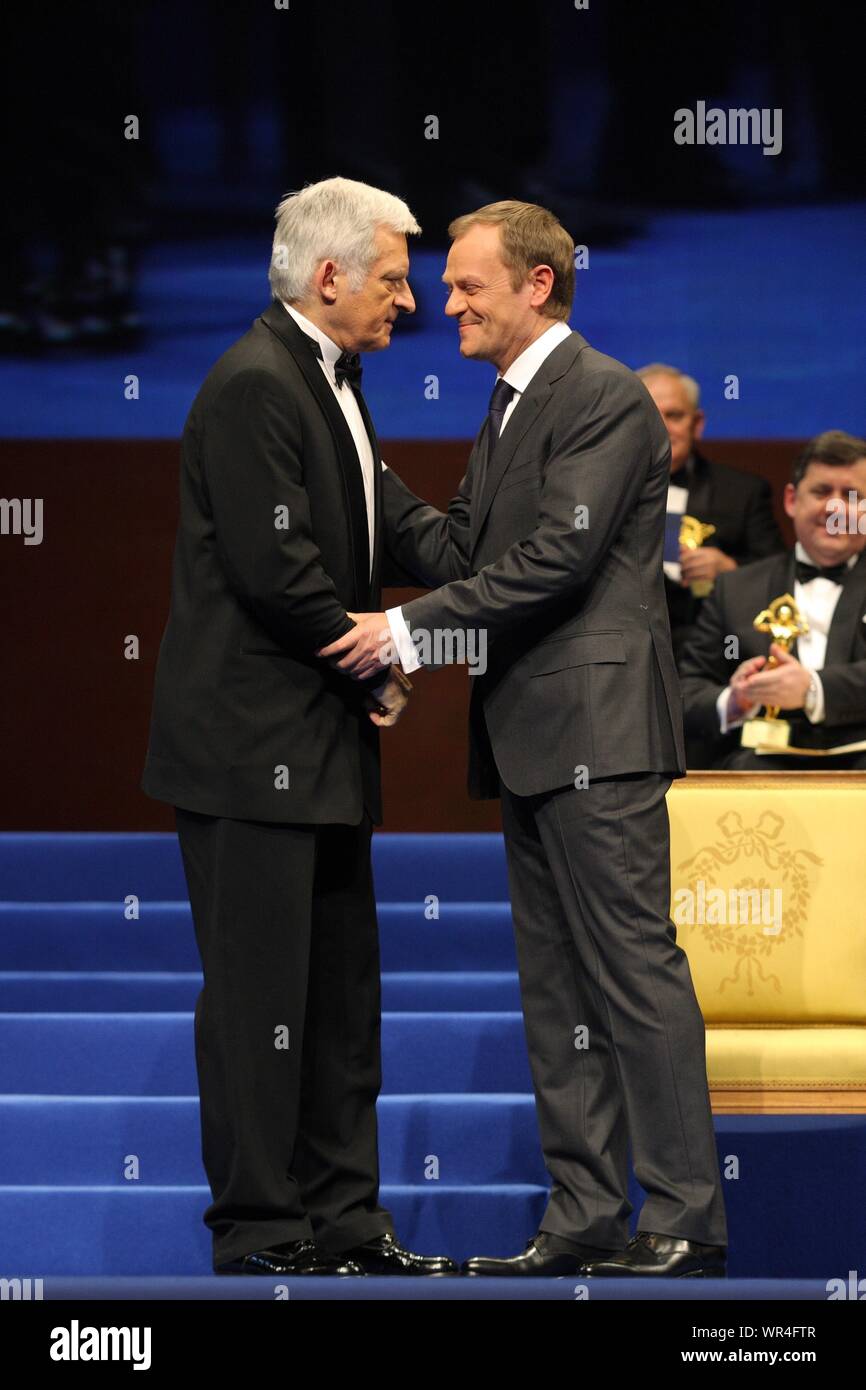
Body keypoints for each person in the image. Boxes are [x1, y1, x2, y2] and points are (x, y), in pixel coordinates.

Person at [321, 200, 728, 1278]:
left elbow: (557, 557)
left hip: (597, 727)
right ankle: (586, 1212)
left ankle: (684, 1215)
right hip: (532, 734)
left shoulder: (595, 394)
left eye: (464, 284)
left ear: (537, 284)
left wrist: (406, 630)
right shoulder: (510, 404)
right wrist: (353, 462)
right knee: (554, 989)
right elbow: (461, 546)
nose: (442, 302)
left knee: (632, 972)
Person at [141, 176, 457, 1278]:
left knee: (336, 1001)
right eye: (391, 278)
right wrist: (372, 651)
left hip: (314, 749)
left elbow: (387, 511)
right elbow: (276, 572)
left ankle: (344, 1220)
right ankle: (263, 1234)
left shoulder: (328, 378)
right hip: (246, 755)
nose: (408, 301)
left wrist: (496, 565)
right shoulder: (252, 386)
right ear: (328, 278)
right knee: (259, 1003)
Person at [678, 430, 866, 770]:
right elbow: (687, 691)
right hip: (760, 769)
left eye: (852, 496)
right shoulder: (735, 589)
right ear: (792, 500)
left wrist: (814, 688)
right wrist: (733, 701)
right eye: (822, 492)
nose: (836, 507)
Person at [637, 364, 786, 767]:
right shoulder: (596, 494)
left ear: (697, 423)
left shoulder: (743, 492)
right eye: (649, 414)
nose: (662, 426)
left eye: (675, 415)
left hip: (717, 671)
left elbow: (783, 582)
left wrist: (732, 571)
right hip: (627, 667)